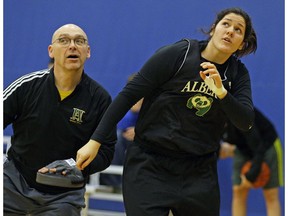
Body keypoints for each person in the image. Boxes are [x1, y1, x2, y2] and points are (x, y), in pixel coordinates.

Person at [76, 7, 257, 216]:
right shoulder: (178, 54)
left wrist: (222, 93)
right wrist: (94, 141)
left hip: (198, 171)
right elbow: (128, 96)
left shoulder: (238, 74)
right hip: (151, 164)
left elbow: (246, 122)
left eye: (238, 29)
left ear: (241, 43)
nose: (230, 31)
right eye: (226, 24)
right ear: (213, 29)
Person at [3, 24, 117, 215]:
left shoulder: (100, 99)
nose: (72, 46)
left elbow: (106, 151)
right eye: (63, 40)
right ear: (51, 50)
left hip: (65, 193)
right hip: (14, 183)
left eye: (79, 41)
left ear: (87, 52)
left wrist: (75, 166)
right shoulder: (27, 86)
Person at [219, 107, 283, 216]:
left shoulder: (239, 113)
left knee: (270, 194)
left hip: (266, 145)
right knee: (238, 191)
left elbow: (258, 147)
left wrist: (251, 175)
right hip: (243, 149)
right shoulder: (208, 120)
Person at [100, 73, 143, 192]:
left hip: (143, 145)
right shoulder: (121, 107)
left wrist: (140, 131)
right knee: (116, 136)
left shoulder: (154, 109)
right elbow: (113, 130)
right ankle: (114, 181)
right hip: (123, 147)